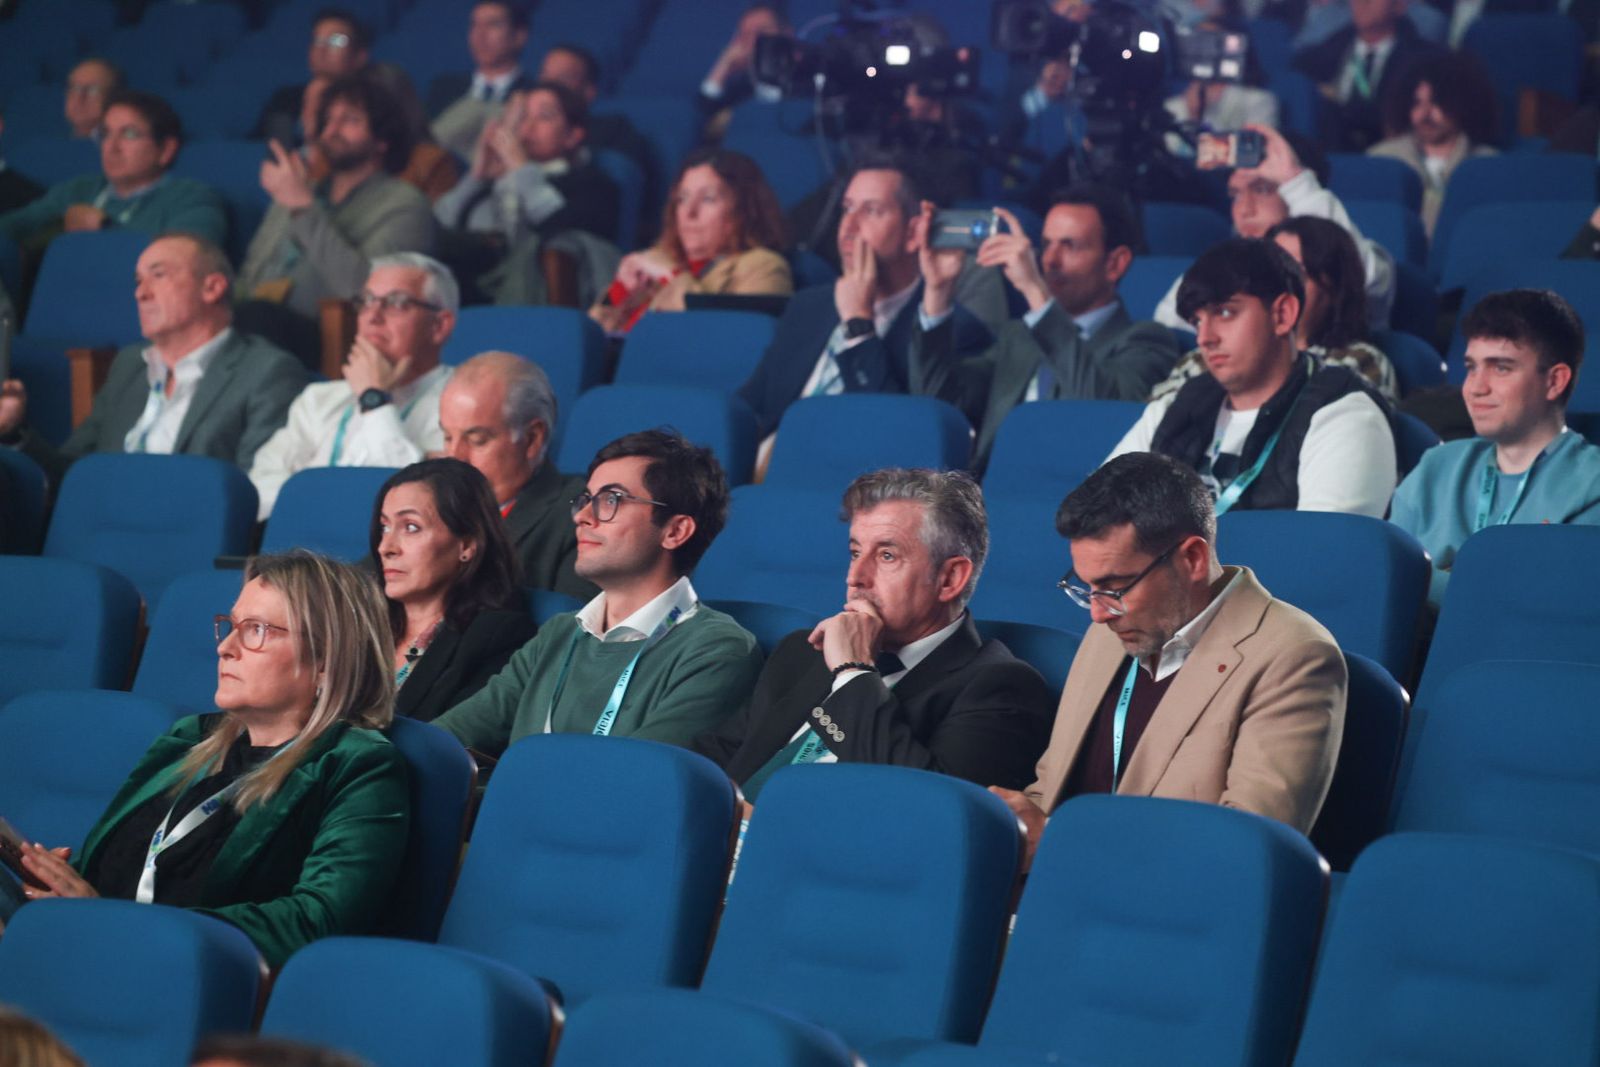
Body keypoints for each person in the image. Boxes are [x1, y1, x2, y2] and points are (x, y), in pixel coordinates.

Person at [14, 551, 411, 970]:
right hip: (82, 954)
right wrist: (59, 886)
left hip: (185, 984)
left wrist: (119, 924)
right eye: (231, 626)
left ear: (327, 661)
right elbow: (117, 866)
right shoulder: (189, 739)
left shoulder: (357, 767)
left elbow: (318, 920)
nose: (225, 648)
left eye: (256, 630)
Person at [990, 452, 1346, 867]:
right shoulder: (1108, 632)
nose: (1098, 613)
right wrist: (1014, 823)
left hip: (1163, 900)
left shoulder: (1294, 656)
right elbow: (1051, 791)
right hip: (1055, 882)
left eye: (1115, 586)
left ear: (1192, 559)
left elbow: (1246, 851)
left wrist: (1057, 842)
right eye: (1087, 587)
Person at [692, 468, 1054, 801]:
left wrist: (852, 672)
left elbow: (924, 809)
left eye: (886, 556)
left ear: (949, 579)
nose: (855, 577)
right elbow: (709, 763)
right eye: (855, 552)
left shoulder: (1000, 688)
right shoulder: (803, 652)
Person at [431, 429, 762, 755]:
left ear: (675, 531)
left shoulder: (717, 650)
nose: (582, 517)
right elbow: (445, 738)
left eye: (611, 500)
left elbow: (631, 776)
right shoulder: (559, 632)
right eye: (586, 500)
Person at [1110, 237, 1398, 517]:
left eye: (1225, 312)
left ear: (1282, 314)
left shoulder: (1344, 415)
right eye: (1197, 321)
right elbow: (1100, 518)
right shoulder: (1176, 405)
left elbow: (1319, 547)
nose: (1204, 338)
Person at [736, 154, 1001, 453]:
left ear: (913, 233)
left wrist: (859, 328)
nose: (848, 226)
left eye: (872, 211)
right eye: (847, 208)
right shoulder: (809, 305)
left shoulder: (951, 331)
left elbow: (898, 438)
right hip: (768, 463)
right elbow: (747, 407)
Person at [911, 184, 1180, 474]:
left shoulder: (1147, 340)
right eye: (1046, 244)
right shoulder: (1019, 336)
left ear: (1115, 263)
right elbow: (940, 400)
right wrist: (938, 290)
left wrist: (1034, 290)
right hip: (993, 491)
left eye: (1069, 246)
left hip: (1083, 492)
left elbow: (1102, 414)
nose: (1050, 260)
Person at [0, 233, 305, 486]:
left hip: (185, 534)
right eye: (138, 281)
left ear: (212, 287)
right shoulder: (129, 365)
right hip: (101, 525)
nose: (140, 293)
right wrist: (14, 430)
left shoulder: (267, 371)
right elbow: (71, 473)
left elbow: (255, 493)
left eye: (158, 275)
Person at [1390, 289, 1600, 608]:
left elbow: (1541, 607)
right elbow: (1384, 583)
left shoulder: (1591, 485)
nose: (1475, 387)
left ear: (1555, 381)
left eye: (1501, 368)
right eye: (1471, 367)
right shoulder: (1436, 466)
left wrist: (1427, 580)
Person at [236, 71, 436, 362]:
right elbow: (252, 269)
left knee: (256, 318)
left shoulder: (405, 205)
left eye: (350, 120)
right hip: (255, 321)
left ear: (382, 139)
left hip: (328, 337)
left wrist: (304, 210)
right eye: (328, 120)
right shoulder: (303, 188)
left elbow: (365, 292)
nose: (331, 131)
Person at [249, 253, 458, 520]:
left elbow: (417, 505)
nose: (373, 316)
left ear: (439, 326)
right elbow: (260, 487)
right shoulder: (319, 398)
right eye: (367, 301)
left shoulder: (461, 405)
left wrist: (375, 401)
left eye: (397, 303)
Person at [1154, 122, 1395, 333]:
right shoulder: (1220, 267)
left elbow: (1358, 277)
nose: (1244, 210)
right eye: (1236, 194)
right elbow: (1169, 330)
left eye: (1262, 189)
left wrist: (1296, 182)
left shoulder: (1370, 263)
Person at [1151, 216, 1399, 403]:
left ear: (1333, 285)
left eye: (1295, 272)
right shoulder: (1200, 360)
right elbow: (1152, 433)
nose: (1279, 284)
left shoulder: (1360, 361)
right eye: (1268, 273)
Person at [372, 459, 538, 722]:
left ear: (467, 545)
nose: (386, 547)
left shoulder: (497, 637)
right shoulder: (358, 620)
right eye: (385, 527)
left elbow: (453, 741)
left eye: (411, 527)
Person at [438, 351, 595, 599]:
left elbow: (573, 622)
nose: (455, 457)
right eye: (448, 437)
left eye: (477, 440)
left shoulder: (580, 516)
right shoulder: (429, 501)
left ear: (532, 438)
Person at [589, 148, 791, 334]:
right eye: (682, 198)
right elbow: (591, 334)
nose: (689, 212)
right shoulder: (657, 260)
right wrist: (620, 290)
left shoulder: (765, 266)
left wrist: (671, 275)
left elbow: (733, 341)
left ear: (745, 210)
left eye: (708, 199)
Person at [0, 89, 227, 252]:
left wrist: (105, 228)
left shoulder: (191, 197)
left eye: (129, 134)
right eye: (105, 134)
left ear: (166, 149)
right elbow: (13, 226)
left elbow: (186, 254)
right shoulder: (80, 189)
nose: (111, 147)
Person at [433, 81, 621, 277]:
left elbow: (562, 236)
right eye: (523, 117)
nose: (528, 128)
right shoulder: (492, 181)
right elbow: (437, 227)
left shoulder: (593, 184)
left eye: (544, 117)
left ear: (572, 136)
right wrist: (477, 176)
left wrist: (521, 168)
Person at [1367, 52, 1499, 237]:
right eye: (1416, 103)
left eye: (1437, 103)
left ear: (1462, 104)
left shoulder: (1488, 162)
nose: (1425, 113)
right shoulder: (1381, 158)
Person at [1292, 0, 1440, 151]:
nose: (1363, 2)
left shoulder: (1424, 62)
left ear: (1399, 6)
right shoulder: (1318, 57)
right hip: (1329, 150)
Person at [428, 1, 537, 161]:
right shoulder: (443, 88)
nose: (479, 36)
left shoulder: (533, 95)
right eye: (474, 25)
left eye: (493, 25)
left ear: (519, 36)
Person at [250, 8, 371, 147]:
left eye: (336, 41)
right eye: (317, 40)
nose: (322, 48)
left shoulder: (370, 102)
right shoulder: (286, 99)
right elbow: (271, 148)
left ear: (360, 56)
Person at [64, 58, 123, 140]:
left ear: (113, 97)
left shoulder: (123, 145)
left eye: (93, 90)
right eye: (76, 88)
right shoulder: (55, 142)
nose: (80, 97)